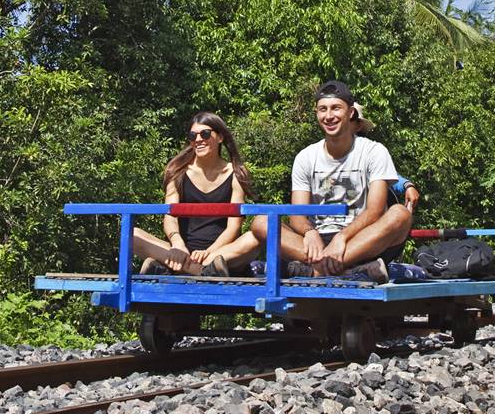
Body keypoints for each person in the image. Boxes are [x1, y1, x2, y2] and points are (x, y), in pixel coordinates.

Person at [249, 81, 412, 281]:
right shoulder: (305, 157)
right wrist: (310, 233)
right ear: (316, 113)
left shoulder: (374, 151)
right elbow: (297, 215)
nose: (329, 116)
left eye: (336, 108)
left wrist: (342, 237)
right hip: (315, 244)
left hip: (360, 240)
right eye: (323, 109)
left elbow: (375, 211)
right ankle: (344, 270)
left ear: (350, 112)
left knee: (400, 214)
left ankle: (318, 271)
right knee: (262, 221)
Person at [133, 112, 256, 276]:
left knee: (256, 237)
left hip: (221, 252)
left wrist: (209, 252)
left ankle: (176, 268)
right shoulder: (177, 172)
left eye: (205, 134)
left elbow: (234, 226)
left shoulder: (235, 174)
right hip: (182, 251)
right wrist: (177, 243)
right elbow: (170, 217)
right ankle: (204, 271)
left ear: (220, 137)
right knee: (132, 234)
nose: (198, 139)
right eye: (193, 136)